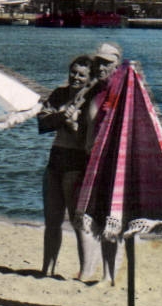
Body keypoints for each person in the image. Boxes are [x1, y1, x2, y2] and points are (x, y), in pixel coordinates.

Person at [37, 55, 96, 279]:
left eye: (82, 74)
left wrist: (65, 121)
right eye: (73, 72)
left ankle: (85, 273)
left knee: (78, 220)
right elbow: (43, 124)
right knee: (52, 220)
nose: (76, 77)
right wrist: (64, 117)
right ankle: (47, 269)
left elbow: (84, 136)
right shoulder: (59, 94)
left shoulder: (91, 100)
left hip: (76, 162)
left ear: (89, 78)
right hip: (55, 160)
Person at [77, 42, 125, 283]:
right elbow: (90, 126)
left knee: (112, 220)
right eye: (99, 62)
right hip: (94, 163)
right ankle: (106, 275)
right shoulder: (96, 91)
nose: (101, 67)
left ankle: (110, 276)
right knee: (99, 218)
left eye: (107, 62)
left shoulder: (123, 90)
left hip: (114, 164)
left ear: (118, 64)